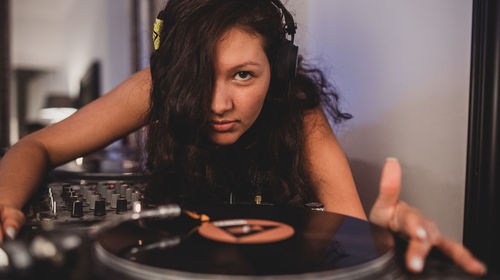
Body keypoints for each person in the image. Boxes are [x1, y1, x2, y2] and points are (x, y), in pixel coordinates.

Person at [0, 0, 486, 275]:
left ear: (277, 69)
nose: (217, 104)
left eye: (244, 76)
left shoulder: (296, 108)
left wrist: (388, 246)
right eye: (199, 75)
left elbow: (353, 236)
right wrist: (6, 206)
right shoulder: (155, 89)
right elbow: (35, 146)